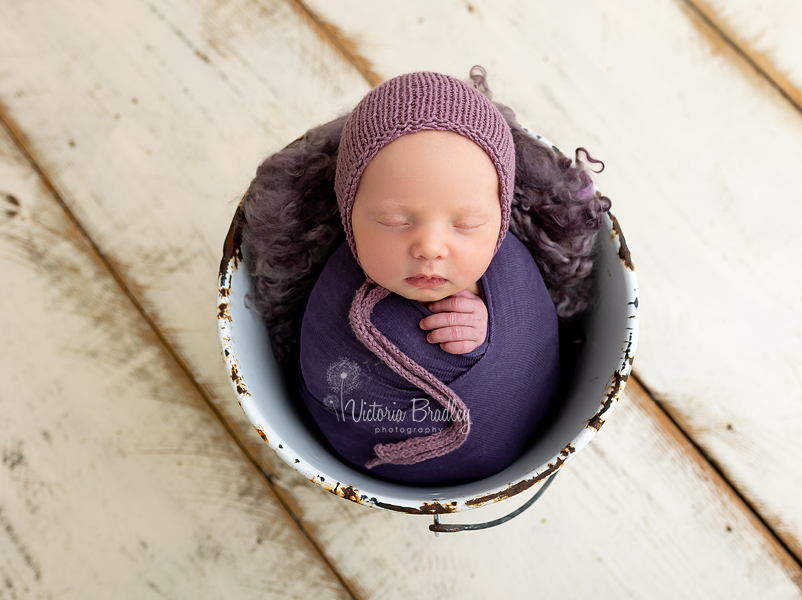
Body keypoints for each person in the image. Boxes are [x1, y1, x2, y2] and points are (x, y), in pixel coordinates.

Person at [241, 69, 610, 484]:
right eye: (393, 219)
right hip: (365, 458)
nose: (430, 247)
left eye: (468, 223)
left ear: (502, 220)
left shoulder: (517, 271)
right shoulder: (331, 293)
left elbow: (535, 341)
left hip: (511, 445)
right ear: (347, 213)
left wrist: (497, 330)